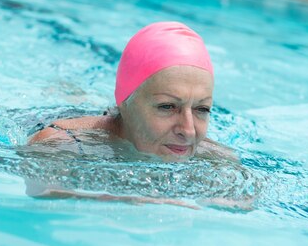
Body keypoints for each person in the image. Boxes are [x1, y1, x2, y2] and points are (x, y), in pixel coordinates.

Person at [28, 21, 244, 207]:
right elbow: (44, 192)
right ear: (124, 103)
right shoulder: (63, 142)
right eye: (167, 107)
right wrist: (126, 200)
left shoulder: (220, 159)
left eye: (201, 109)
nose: (188, 131)